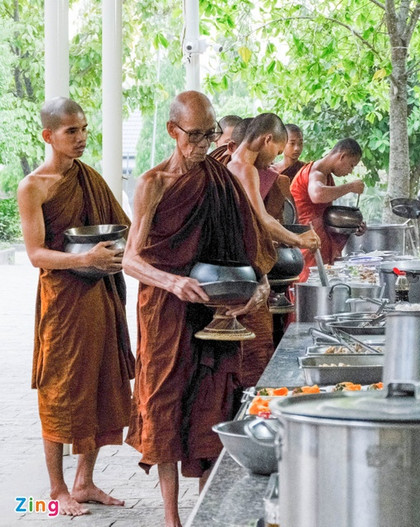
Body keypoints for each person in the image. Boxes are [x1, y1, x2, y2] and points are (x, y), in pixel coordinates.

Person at [123, 91, 276, 527]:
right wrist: (172, 281)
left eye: (211, 134)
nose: (205, 144)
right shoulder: (153, 183)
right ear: (173, 131)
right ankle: (171, 517)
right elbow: (131, 258)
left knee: (212, 402)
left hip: (217, 310)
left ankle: (205, 505)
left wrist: (261, 285)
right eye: (195, 135)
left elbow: (251, 246)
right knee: (165, 402)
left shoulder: (222, 180)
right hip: (166, 310)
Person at [16, 97, 133, 516]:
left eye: (84, 128)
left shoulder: (91, 178)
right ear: (49, 136)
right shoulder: (34, 187)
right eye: (72, 131)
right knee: (61, 389)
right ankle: (57, 488)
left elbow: (124, 228)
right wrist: (84, 259)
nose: (82, 138)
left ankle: (84, 482)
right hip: (63, 303)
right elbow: (35, 255)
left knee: (102, 383)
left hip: (100, 297)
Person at [225, 112, 321, 385]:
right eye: (277, 150)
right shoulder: (245, 169)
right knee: (256, 356)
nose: (274, 160)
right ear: (267, 140)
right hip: (243, 272)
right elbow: (263, 221)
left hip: (240, 269)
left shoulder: (230, 165)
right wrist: (299, 241)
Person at [290, 138, 365, 281]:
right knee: (311, 287)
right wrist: (350, 187)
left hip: (317, 240)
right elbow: (317, 195)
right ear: (342, 156)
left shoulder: (326, 175)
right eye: (351, 165)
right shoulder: (316, 172)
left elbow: (326, 213)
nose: (350, 171)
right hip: (306, 242)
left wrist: (354, 225)